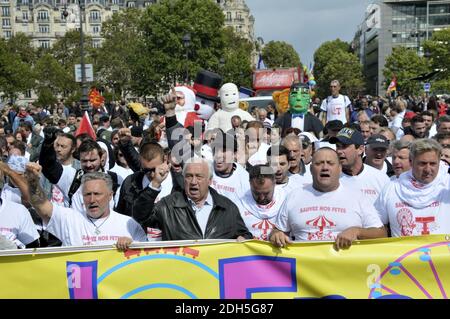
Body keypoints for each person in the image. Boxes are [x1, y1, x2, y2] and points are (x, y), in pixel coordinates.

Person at [269, 147, 386, 249]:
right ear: (310, 169)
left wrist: (357, 232)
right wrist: (276, 235)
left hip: (344, 271)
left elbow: (381, 234)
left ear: (340, 168)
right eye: (319, 163)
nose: (325, 167)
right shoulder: (294, 196)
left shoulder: (357, 197)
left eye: (330, 163)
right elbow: (277, 231)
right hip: (303, 271)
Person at [24, 165, 146, 248]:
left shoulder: (128, 224)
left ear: (110, 196)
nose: (92, 200)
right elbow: (41, 206)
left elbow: (145, 256)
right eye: (87, 194)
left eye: (97, 194)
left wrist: (132, 246)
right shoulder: (70, 219)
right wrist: (33, 183)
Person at [132, 157, 253, 241]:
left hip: (214, 274)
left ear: (210, 180)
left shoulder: (227, 207)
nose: (194, 182)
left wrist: (243, 239)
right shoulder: (168, 206)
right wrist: (155, 184)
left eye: (199, 177)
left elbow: (244, 235)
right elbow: (140, 216)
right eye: (189, 176)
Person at [375, 139, 450, 237]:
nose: (427, 169)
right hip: (404, 252)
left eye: (433, 164)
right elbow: (377, 226)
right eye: (422, 164)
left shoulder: (447, 184)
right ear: (411, 161)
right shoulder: (392, 188)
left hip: (443, 252)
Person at [330, 128, 390, 208]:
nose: (339, 151)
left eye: (344, 146)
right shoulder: (330, 178)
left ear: (360, 149)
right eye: (338, 146)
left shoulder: (381, 179)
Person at [236, 165, 288, 240]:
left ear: (274, 183)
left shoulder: (287, 201)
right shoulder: (239, 206)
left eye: (266, 193)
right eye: (256, 193)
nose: (262, 198)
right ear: (250, 183)